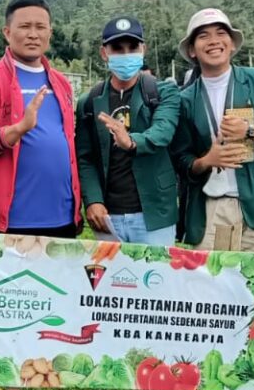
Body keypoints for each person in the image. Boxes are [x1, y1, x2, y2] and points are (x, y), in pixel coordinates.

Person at [172, 8, 254, 254]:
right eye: (203, 36)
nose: (213, 41)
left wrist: (250, 130)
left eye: (221, 33)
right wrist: (206, 161)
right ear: (192, 50)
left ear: (232, 44)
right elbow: (181, 158)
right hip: (213, 206)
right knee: (217, 277)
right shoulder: (185, 100)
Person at [0, 0, 81, 237]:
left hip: (62, 218)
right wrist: (18, 129)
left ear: (50, 33)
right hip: (12, 223)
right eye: (25, 27)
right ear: (7, 32)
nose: (33, 34)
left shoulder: (61, 83)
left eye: (41, 27)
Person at [75, 16, 182, 246]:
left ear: (143, 49)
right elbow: (85, 158)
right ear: (104, 53)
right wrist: (93, 200)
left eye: (132, 47)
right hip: (108, 217)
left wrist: (131, 141)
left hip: (154, 215)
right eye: (117, 48)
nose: (125, 54)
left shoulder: (163, 92)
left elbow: (162, 131)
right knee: (108, 271)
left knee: (155, 270)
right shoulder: (89, 102)